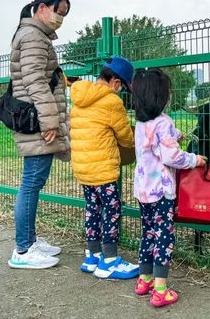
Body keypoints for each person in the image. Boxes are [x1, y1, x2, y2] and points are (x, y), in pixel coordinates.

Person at [130, 68, 207, 307]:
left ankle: (144, 280)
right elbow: (171, 157)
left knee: (148, 233)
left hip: (143, 191)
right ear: (159, 96)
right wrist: (196, 159)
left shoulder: (141, 122)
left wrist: (176, 135)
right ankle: (161, 289)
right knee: (164, 236)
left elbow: (158, 143)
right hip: (161, 192)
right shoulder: (163, 122)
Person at [7, 0, 71, 270]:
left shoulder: (35, 35)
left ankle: (30, 240)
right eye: (59, 11)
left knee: (33, 181)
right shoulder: (33, 36)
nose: (61, 18)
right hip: (36, 121)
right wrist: (50, 121)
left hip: (35, 117)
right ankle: (22, 250)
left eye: (64, 14)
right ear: (42, 7)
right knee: (31, 183)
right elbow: (35, 81)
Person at [70, 56, 139, 280]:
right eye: (122, 87)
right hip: (103, 169)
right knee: (111, 211)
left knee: (92, 209)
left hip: (83, 168)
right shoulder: (112, 102)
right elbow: (127, 139)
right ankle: (109, 261)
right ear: (116, 83)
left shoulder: (80, 96)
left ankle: (92, 256)